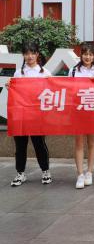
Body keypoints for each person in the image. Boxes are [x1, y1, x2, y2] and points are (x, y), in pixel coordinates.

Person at [7, 43, 52, 187]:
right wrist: (9, 87)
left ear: (37, 54)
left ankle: (45, 171)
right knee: (20, 145)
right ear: (23, 55)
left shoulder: (45, 73)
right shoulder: (18, 73)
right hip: (21, 115)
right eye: (27, 53)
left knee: (39, 144)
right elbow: (15, 93)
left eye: (32, 53)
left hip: (38, 115)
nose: (30, 56)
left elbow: (52, 90)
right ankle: (20, 173)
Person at [69, 42, 94, 189]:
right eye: (85, 54)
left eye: (90, 54)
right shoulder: (73, 71)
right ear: (81, 55)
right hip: (78, 110)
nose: (87, 57)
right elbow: (68, 90)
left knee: (92, 141)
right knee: (79, 142)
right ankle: (80, 174)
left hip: (93, 110)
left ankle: (89, 172)